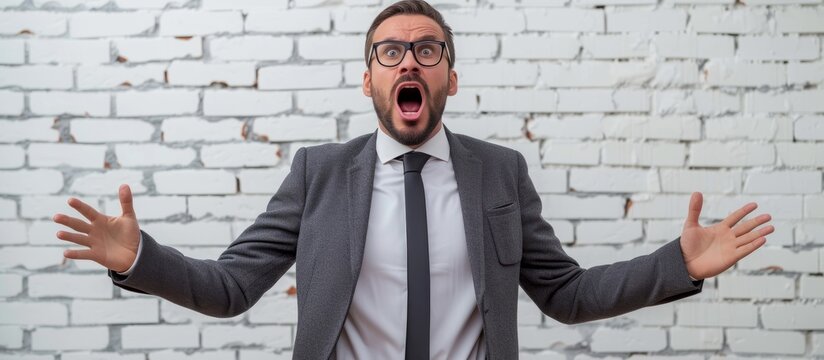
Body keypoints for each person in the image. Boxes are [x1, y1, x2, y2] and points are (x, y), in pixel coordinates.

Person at [52, 1, 774, 359]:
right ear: (368, 77)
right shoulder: (319, 174)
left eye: (426, 49)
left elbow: (565, 293)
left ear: (449, 77)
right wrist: (139, 258)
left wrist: (676, 265)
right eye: (390, 50)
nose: (408, 62)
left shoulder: (500, 173)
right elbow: (233, 288)